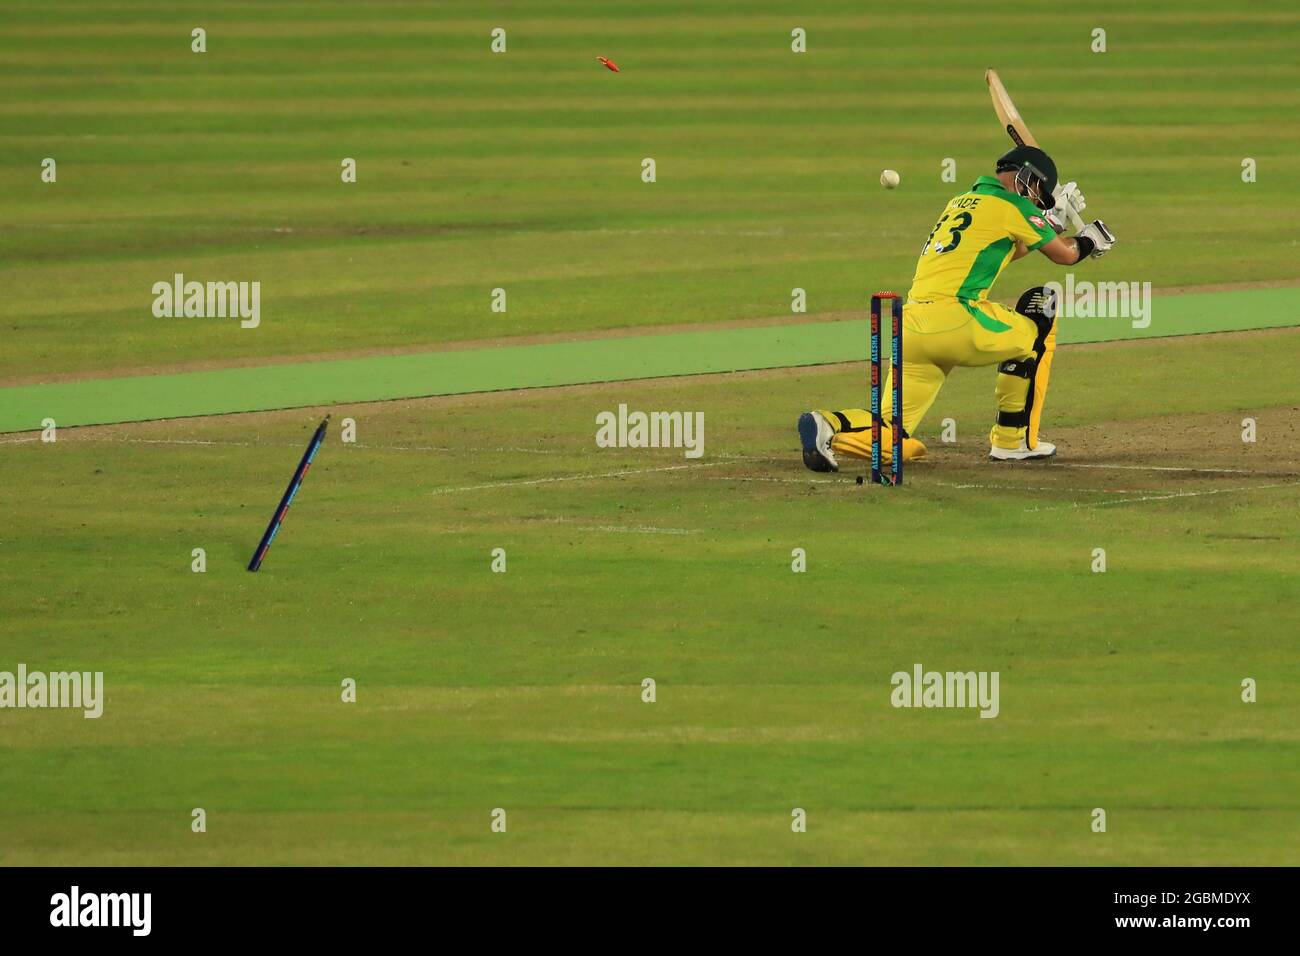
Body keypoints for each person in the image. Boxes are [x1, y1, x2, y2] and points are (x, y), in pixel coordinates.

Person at [799, 145, 1114, 472]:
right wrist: (1090, 239)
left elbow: (1003, 247)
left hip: (909, 327)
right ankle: (1013, 442)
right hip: (956, 321)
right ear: (1026, 177)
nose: (1036, 199)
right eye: (1038, 191)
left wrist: (1051, 227)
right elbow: (1065, 256)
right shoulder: (1014, 206)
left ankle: (827, 426)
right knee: (1039, 318)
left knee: (892, 429)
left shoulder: (960, 201)